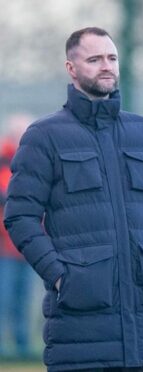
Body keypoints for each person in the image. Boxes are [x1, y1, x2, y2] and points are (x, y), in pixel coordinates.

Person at [4, 27, 143, 371]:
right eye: (94, 59)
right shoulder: (44, 136)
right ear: (71, 68)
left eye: (111, 58)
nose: (106, 66)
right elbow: (19, 216)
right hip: (80, 336)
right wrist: (60, 276)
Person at [0, 114, 34, 358]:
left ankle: (22, 345)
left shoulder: (34, 162)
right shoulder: (3, 162)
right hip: (4, 245)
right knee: (5, 297)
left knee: (23, 298)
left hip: (28, 246)